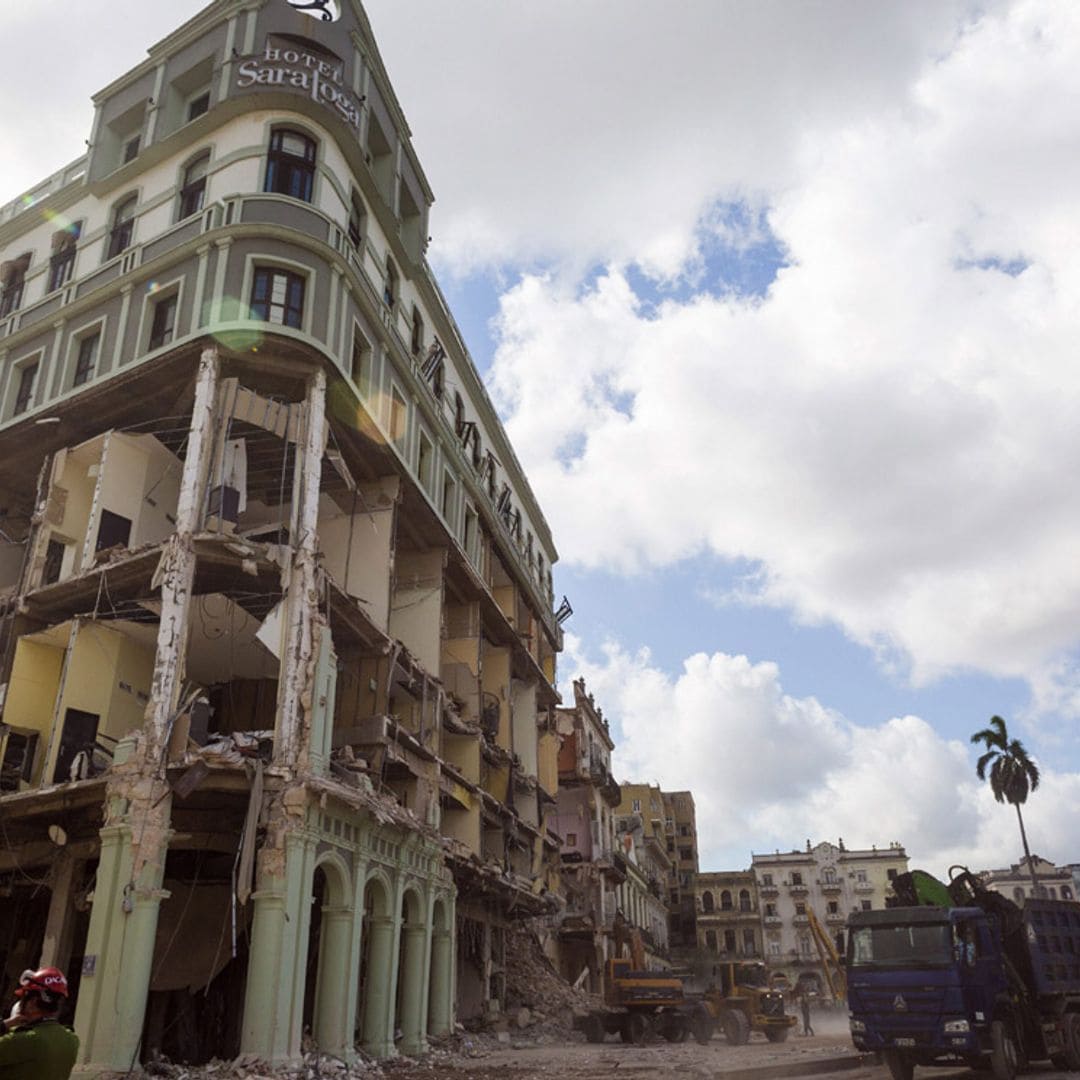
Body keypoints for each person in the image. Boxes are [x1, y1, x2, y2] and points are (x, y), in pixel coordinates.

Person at [0, 967, 79, 1079]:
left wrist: (4, 1024)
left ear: (32, 1003)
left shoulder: (24, 1040)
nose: (20, 1003)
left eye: (23, 999)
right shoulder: (71, 1039)